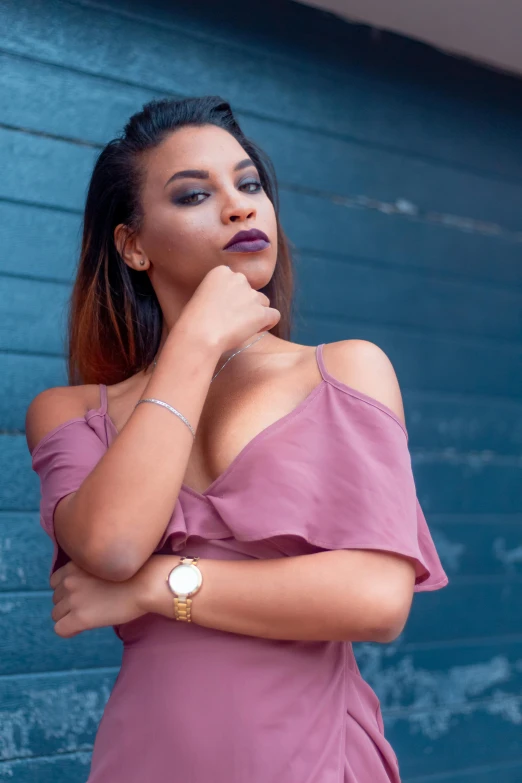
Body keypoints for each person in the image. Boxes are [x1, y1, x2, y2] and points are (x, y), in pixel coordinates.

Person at [25, 95, 448, 783]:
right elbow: (111, 543)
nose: (240, 206)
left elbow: (374, 599)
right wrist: (194, 341)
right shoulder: (72, 413)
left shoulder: (345, 371)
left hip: (314, 760)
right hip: (145, 761)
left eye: (249, 184)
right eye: (195, 193)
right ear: (133, 244)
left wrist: (157, 586)